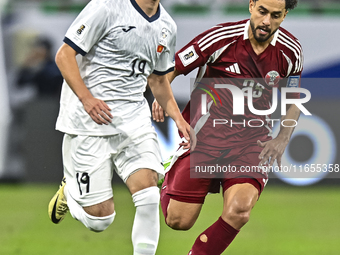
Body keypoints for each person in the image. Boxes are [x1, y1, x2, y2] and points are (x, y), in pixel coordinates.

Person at [153, 0, 303, 254]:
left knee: (239, 211)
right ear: (251, 6)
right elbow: (172, 69)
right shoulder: (220, 38)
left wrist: (282, 138)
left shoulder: (290, 51)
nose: (266, 21)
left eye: (275, 15)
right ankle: (167, 171)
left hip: (251, 145)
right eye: (262, 12)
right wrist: (162, 97)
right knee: (177, 221)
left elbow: (294, 97)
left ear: (285, 15)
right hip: (204, 140)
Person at [47, 0, 191, 254]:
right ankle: (71, 193)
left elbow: (158, 80)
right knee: (100, 219)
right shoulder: (106, 7)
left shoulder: (167, 25)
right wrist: (87, 99)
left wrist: (179, 119)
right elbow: (64, 55)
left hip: (134, 120)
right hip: (90, 122)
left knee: (148, 194)